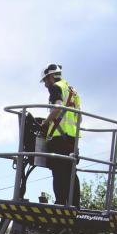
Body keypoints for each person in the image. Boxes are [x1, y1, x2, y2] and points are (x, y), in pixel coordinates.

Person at [40, 63, 81, 208]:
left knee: (58, 171)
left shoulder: (56, 87)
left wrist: (45, 123)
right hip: (72, 139)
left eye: (45, 80)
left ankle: (59, 204)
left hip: (59, 139)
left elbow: (57, 107)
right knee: (71, 173)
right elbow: (79, 117)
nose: (45, 84)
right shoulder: (73, 91)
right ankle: (74, 205)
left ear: (51, 77)